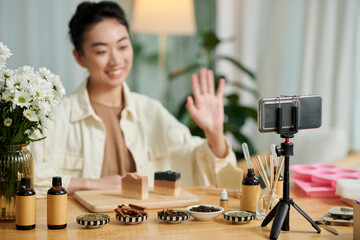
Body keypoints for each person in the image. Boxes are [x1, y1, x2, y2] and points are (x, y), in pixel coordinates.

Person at [30, 1, 236, 195]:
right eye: (102, 51)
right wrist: (92, 184)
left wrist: (215, 134)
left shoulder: (150, 111)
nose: (116, 60)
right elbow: (23, 175)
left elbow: (202, 166)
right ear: (79, 57)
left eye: (122, 46)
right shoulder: (54, 116)